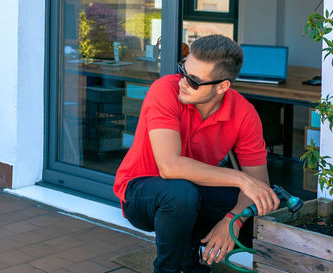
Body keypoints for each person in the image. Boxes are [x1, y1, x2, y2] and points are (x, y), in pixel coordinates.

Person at [113, 34, 280, 273]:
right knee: (181, 193)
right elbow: (169, 167)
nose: (182, 82)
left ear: (222, 86)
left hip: (191, 191)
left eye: (193, 81)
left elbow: (260, 185)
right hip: (140, 192)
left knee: (262, 209)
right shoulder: (165, 90)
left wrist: (231, 221)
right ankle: (167, 269)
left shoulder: (244, 113)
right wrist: (241, 179)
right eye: (183, 71)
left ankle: (189, 261)